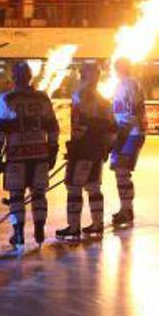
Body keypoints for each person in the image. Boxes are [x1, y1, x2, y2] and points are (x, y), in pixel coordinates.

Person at [0, 60, 58, 250]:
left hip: (16, 155)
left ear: (13, 78)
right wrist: (52, 149)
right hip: (39, 154)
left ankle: (18, 233)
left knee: (16, 195)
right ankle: (39, 229)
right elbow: (52, 126)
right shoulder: (43, 98)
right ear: (30, 77)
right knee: (39, 194)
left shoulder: (5, 98)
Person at [56, 61, 116, 241]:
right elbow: (113, 129)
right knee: (93, 187)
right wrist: (106, 148)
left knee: (73, 187)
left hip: (83, 150)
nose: (80, 76)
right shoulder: (105, 100)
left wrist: (75, 146)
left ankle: (74, 227)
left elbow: (80, 126)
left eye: (83, 73)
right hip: (97, 150)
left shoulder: (81, 96)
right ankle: (97, 224)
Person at [109, 58, 146, 228]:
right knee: (120, 171)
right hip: (129, 133)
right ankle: (126, 208)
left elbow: (130, 113)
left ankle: (127, 210)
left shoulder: (127, 85)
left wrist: (120, 134)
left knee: (122, 171)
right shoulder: (131, 84)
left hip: (129, 134)